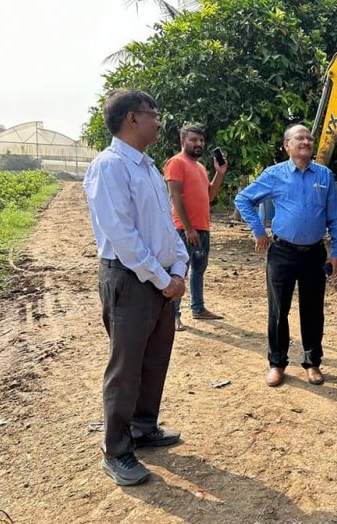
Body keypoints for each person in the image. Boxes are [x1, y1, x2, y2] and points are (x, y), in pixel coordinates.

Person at [83, 89, 189, 486]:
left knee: (154, 360)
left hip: (162, 281)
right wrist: (164, 281)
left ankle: (143, 428)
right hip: (130, 281)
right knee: (126, 369)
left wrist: (178, 268)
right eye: (153, 114)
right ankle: (116, 449)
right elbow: (123, 237)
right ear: (132, 118)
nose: (158, 121)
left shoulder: (146, 167)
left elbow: (167, 227)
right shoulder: (109, 167)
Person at [235, 124, 337, 387]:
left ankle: (312, 363)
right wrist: (259, 231)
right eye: (300, 138)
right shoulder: (274, 175)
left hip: (315, 254)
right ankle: (277, 363)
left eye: (309, 137)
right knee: (278, 310)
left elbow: (333, 217)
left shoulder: (325, 176)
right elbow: (243, 199)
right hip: (282, 252)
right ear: (287, 145)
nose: (306, 141)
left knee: (313, 310)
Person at [164, 123, 228, 331]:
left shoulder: (200, 167)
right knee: (179, 272)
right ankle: (172, 315)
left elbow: (209, 196)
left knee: (198, 270)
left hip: (202, 228)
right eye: (193, 139)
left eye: (201, 140)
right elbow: (175, 197)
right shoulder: (176, 162)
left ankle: (198, 308)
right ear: (183, 142)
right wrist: (188, 228)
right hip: (184, 229)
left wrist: (220, 173)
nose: (198, 143)